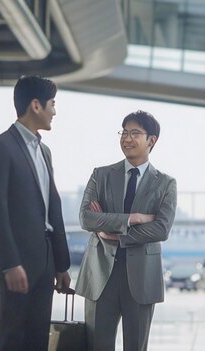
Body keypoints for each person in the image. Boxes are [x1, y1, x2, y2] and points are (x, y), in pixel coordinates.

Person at [0, 75, 71, 351]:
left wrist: (61, 264)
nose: (55, 111)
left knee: (37, 339)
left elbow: (52, 207)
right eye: (52, 104)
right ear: (36, 105)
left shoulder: (44, 152)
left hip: (44, 262)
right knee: (11, 337)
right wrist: (9, 263)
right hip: (15, 264)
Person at [75, 110, 177, 351]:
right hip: (100, 275)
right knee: (97, 346)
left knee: (136, 347)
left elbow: (161, 229)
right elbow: (86, 218)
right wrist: (134, 219)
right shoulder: (100, 175)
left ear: (151, 140)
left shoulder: (165, 183)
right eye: (124, 132)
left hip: (142, 278)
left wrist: (115, 234)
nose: (126, 138)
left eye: (134, 133)